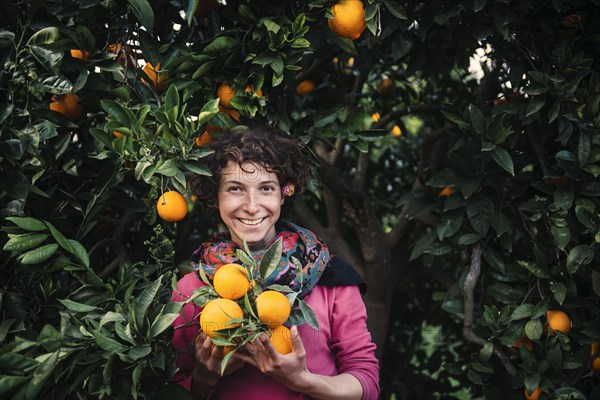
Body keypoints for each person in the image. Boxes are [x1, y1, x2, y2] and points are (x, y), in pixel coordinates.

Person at [171, 124, 380, 399]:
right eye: (235, 189)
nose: (252, 205)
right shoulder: (192, 289)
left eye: (266, 188)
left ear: (285, 192)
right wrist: (204, 376)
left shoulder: (330, 278)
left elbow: (366, 383)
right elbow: (171, 385)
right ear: (214, 196)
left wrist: (302, 381)